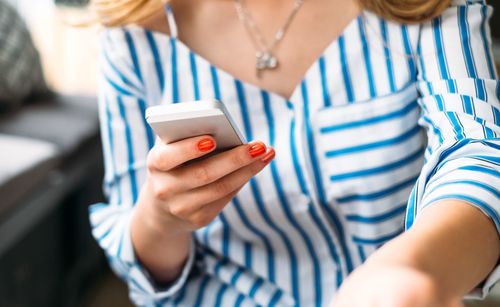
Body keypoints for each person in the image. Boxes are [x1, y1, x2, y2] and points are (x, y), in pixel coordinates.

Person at [88, 0, 500, 305]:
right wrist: (162, 220)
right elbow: (136, 261)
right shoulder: (133, 31)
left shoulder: (418, 8)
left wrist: (406, 273)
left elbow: (477, 148)